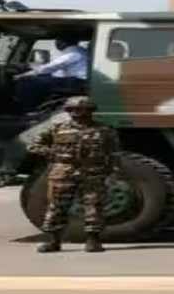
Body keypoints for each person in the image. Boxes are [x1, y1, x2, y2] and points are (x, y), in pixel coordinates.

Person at [27, 96, 120, 253]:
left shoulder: (104, 130)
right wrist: (51, 153)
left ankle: (93, 241)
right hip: (63, 171)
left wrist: (113, 171)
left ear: (91, 111)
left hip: (92, 172)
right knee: (57, 206)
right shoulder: (57, 128)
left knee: (94, 206)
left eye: (83, 110)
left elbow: (113, 152)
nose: (78, 113)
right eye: (73, 110)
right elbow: (33, 145)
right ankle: (53, 241)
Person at [14, 37, 90, 109]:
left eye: (57, 41)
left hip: (77, 82)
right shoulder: (79, 50)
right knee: (42, 78)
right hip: (78, 80)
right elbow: (56, 70)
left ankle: (27, 109)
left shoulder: (73, 53)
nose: (56, 43)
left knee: (28, 81)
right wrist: (33, 69)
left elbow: (50, 67)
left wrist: (23, 75)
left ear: (62, 43)